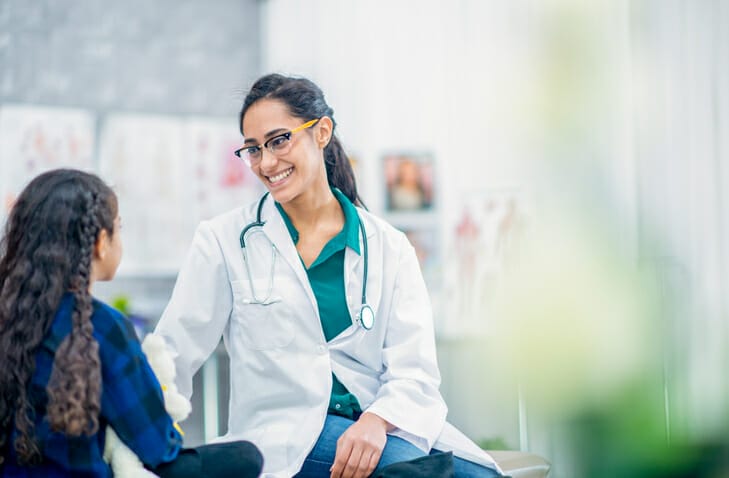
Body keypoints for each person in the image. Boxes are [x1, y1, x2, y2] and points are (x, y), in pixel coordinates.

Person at [154, 74, 504, 477]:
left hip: (381, 426)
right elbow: (173, 352)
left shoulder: (388, 246)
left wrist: (376, 421)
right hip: (286, 437)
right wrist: (146, 450)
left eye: (279, 140)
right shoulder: (224, 241)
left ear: (321, 132)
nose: (266, 163)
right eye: (253, 149)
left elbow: (415, 371)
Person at [0, 169, 262, 477]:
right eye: (118, 229)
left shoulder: (10, 319)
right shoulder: (102, 327)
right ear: (100, 243)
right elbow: (160, 453)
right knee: (246, 457)